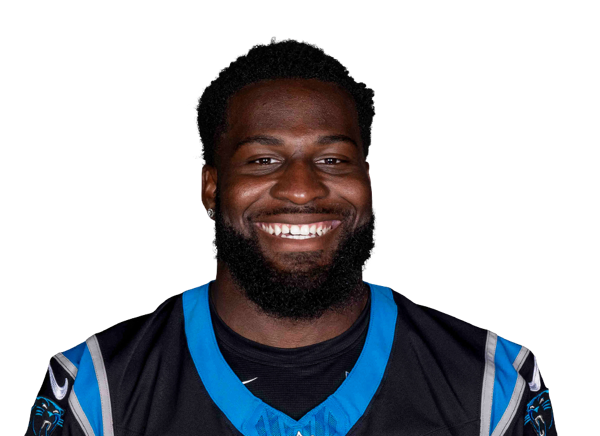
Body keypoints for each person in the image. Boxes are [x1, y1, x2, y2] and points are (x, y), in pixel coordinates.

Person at [25, 38, 557, 436]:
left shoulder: (492, 387)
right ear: (211, 187)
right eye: (262, 160)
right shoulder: (95, 393)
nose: (301, 189)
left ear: (368, 182)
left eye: (333, 159)